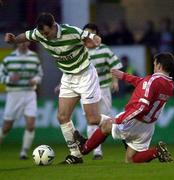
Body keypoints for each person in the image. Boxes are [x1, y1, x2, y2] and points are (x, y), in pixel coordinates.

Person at [4, 12, 105, 164]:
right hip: (68, 77)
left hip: (85, 75)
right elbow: (24, 36)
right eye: (42, 33)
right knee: (62, 117)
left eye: (47, 32)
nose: (45, 36)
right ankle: (76, 155)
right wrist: (14, 40)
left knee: (93, 118)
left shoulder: (71, 31)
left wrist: (94, 41)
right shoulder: (39, 33)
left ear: (54, 26)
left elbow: (95, 38)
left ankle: (121, 126)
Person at [74, 52, 174, 163]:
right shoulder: (170, 84)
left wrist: (119, 120)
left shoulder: (152, 81)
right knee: (130, 159)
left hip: (135, 120)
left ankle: (84, 148)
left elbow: (141, 107)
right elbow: (142, 83)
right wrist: (124, 76)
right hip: (148, 126)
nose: (154, 66)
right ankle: (157, 152)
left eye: (155, 64)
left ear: (159, 66)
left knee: (106, 126)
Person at [81, 23, 123, 160]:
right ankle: (96, 151)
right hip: (87, 90)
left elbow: (114, 66)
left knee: (103, 120)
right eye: (85, 33)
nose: (87, 36)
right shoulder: (81, 51)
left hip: (103, 89)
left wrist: (115, 81)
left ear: (96, 34)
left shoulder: (104, 49)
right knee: (90, 120)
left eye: (90, 33)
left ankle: (125, 135)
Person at [0, 42, 43, 159]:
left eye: (25, 41)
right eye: (20, 42)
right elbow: (1, 76)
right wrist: (9, 78)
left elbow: (40, 74)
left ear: (28, 42)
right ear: (17, 44)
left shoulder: (34, 57)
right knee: (6, 127)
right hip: (14, 94)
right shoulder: (9, 59)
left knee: (31, 124)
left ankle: (24, 152)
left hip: (30, 94)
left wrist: (35, 80)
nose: (23, 44)